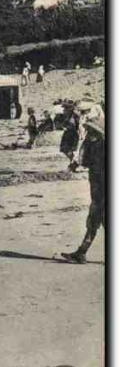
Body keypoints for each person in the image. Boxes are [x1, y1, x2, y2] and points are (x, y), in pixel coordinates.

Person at [60, 104, 105, 264]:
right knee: (95, 220)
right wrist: (75, 164)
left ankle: (81, 252)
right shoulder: (94, 143)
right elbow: (83, 157)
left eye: (92, 130)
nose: (89, 132)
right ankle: (81, 252)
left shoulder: (101, 145)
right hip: (97, 187)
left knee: (96, 218)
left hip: (102, 189)